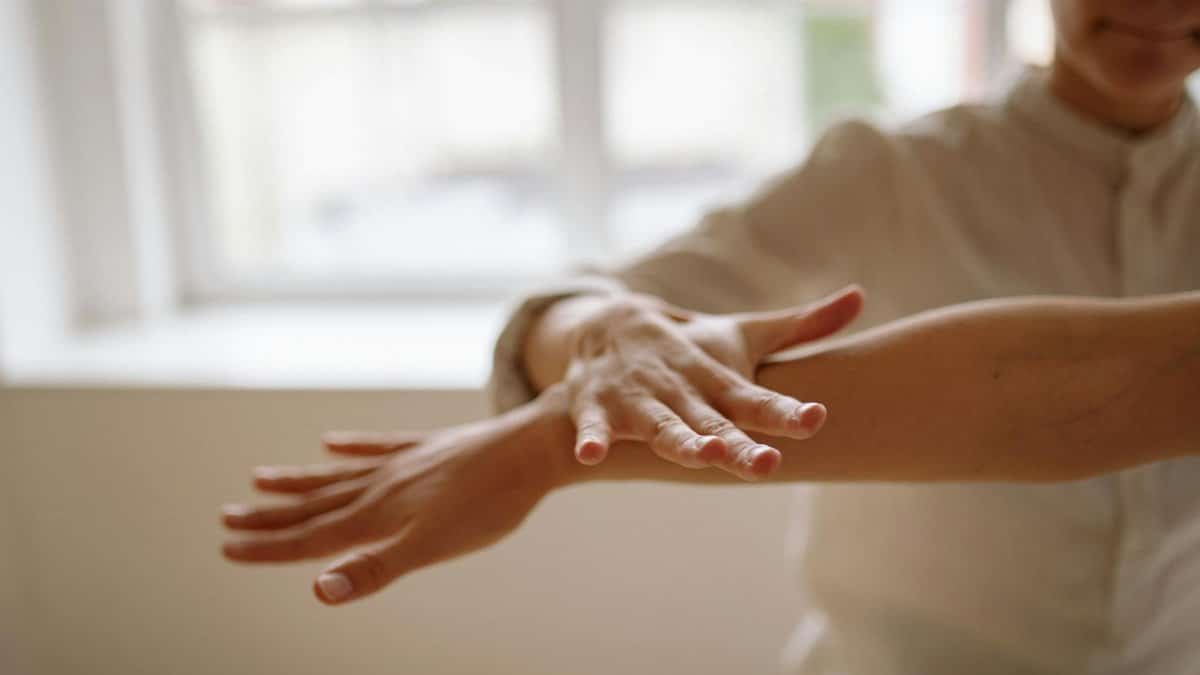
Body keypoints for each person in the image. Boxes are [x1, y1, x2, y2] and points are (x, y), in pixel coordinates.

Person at [222, 1, 1200, 672]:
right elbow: (596, 300)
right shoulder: (895, 170)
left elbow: (1062, 397)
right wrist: (608, 333)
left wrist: (544, 454)